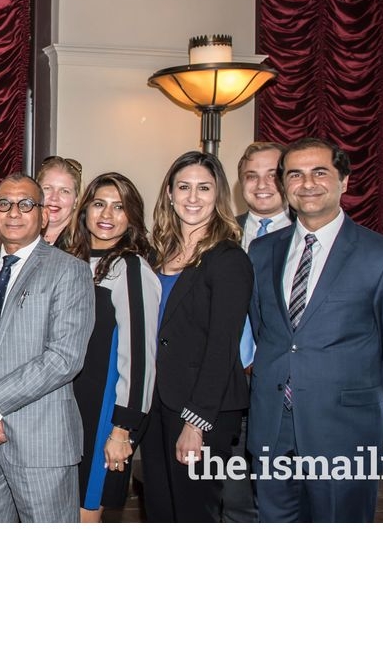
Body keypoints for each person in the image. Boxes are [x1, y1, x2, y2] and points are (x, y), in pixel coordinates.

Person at [247, 137, 383, 522]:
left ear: (344, 180)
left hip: (347, 433)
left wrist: (363, 405)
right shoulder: (262, 253)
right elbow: (268, 333)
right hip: (273, 430)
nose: (307, 183)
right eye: (295, 174)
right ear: (283, 185)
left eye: (319, 172)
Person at [0, 174, 94, 523]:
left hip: (41, 442)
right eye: (4, 204)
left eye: (26, 204)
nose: (14, 212)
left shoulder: (70, 271)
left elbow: (63, 358)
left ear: (43, 215)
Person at [140, 150, 252, 523]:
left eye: (204, 188)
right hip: (157, 401)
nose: (193, 197)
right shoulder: (157, 255)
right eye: (184, 187)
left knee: (194, 513)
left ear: (218, 194)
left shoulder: (228, 259)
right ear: (169, 194)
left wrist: (195, 423)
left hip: (203, 410)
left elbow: (222, 348)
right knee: (159, 508)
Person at [63, 173, 160, 522]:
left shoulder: (131, 267)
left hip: (102, 411)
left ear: (132, 216)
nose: (108, 214)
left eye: (119, 207)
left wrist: (122, 429)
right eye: (100, 203)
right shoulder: (69, 261)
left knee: (85, 512)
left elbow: (140, 357)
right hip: (64, 408)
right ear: (85, 209)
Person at [222, 140, 290, 523]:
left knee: (279, 496)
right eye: (252, 175)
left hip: (283, 388)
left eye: (272, 175)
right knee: (233, 494)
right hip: (228, 384)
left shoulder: (305, 237)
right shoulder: (222, 233)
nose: (262, 184)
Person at [35, 155, 83, 248]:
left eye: (65, 191)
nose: (54, 197)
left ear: (76, 200)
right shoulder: (15, 235)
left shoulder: (85, 245)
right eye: (47, 188)